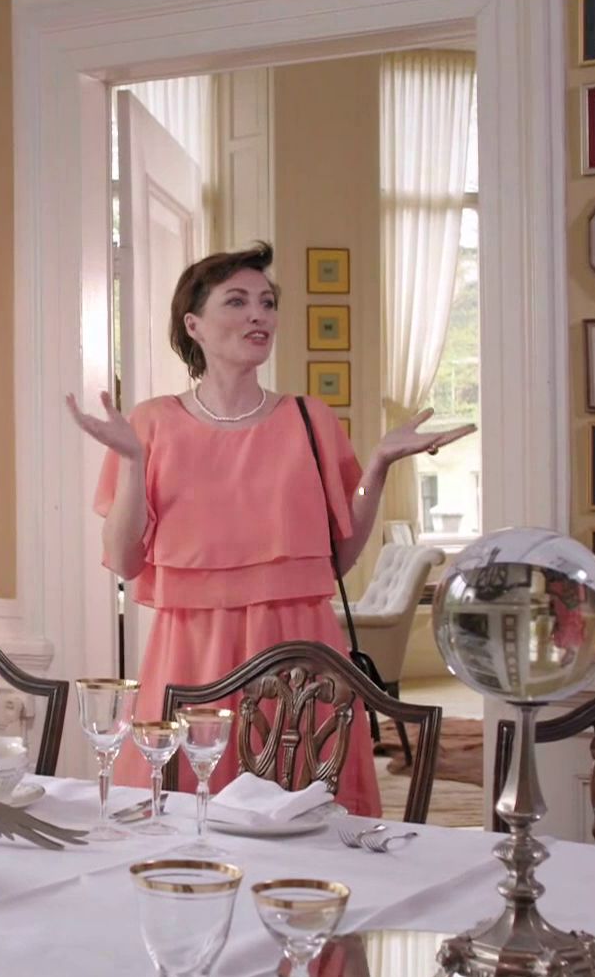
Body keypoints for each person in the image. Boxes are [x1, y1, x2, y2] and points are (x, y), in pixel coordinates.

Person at [67, 243, 474, 815]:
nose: (258, 315)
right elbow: (124, 559)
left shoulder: (310, 418)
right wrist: (133, 462)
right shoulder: (151, 423)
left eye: (267, 302)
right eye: (237, 302)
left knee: (306, 821)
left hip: (300, 650)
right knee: (186, 818)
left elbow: (339, 558)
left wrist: (378, 466)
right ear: (194, 325)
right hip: (192, 651)